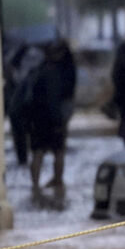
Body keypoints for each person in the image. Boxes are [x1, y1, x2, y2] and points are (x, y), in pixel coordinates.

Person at [26, 39, 76, 193]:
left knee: (39, 152)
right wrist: (59, 122)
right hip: (50, 118)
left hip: (38, 118)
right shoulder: (58, 72)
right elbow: (56, 99)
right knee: (56, 151)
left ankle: (38, 185)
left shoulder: (40, 70)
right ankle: (55, 181)